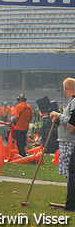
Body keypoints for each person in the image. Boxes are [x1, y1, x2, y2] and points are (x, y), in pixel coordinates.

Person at [51, 77, 75, 210]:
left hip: (69, 141)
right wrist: (58, 120)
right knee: (68, 174)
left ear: (65, 88)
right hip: (66, 139)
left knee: (70, 173)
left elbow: (72, 121)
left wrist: (58, 115)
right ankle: (71, 197)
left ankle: (71, 199)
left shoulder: (74, 101)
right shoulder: (71, 102)